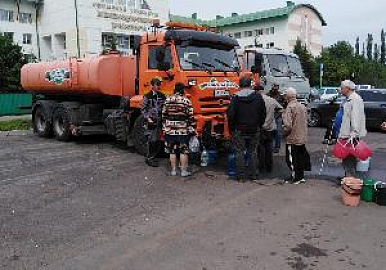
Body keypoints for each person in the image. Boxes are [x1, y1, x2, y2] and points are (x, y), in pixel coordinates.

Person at [227, 77, 266, 181]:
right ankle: (254, 175)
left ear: (240, 85)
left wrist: (231, 129)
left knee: (239, 152)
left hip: (239, 129)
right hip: (254, 128)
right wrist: (259, 125)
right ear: (250, 84)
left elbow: (230, 115)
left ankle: (241, 177)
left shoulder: (235, 98)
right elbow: (263, 113)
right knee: (252, 152)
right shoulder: (258, 97)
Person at [162, 83, 195, 177]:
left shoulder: (167, 100)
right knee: (183, 150)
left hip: (170, 129)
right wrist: (192, 128)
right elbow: (190, 117)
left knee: (172, 150)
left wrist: (164, 127)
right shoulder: (186, 101)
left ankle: (173, 171)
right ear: (183, 90)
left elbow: (164, 115)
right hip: (183, 129)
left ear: (174, 89)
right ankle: (184, 171)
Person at [338, 80, 367, 178]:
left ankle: (350, 180)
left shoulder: (355, 99)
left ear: (347, 88)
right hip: (348, 133)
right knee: (346, 157)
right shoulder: (349, 99)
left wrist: (354, 133)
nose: (340, 89)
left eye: (341, 88)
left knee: (349, 158)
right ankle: (348, 177)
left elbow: (356, 117)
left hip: (351, 135)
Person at [282, 87, 311, 184]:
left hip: (292, 138)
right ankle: (300, 176)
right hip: (302, 136)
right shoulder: (302, 106)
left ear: (287, 97)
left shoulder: (289, 107)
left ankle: (296, 178)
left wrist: (284, 133)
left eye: (285, 96)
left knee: (291, 159)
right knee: (300, 157)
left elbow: (288, 125)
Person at [256, 85, 283, 173]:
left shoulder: (256, 100)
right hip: (270, 128)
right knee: (269, 148)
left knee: (261, 148)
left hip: (260, 128)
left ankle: (261, 167)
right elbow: (281, 109)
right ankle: (269, 167)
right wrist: (274, 116)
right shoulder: (271, 100)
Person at [141, 76, 166, 167]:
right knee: (152, 140)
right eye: (157, 84)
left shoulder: (162, 96)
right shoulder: (147, 96)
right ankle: (149, 158)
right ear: (152, 85)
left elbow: (165, 107)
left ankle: (154, 156)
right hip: (152, 121)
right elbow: (143, 109)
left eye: (160, 84)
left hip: (160, 121)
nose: (159, 86)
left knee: (158, 140)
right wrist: (148, 118)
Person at [268, 84, 285, 153]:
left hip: (278, 116)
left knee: (278, 132)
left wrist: (283, 109)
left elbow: (285, 102)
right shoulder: (268, 94)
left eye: (276, 88)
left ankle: (277, 147)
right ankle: (271, 146)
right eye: (274, 88)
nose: (275, 89)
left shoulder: (281, 95)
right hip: (270, 116)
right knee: (271, 132)